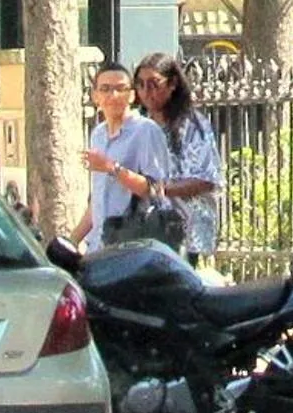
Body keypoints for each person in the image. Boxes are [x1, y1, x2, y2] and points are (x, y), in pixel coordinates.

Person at [67, 61, 173, 253]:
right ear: (95, 95)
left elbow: (156, 190)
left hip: (132, 244)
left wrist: (111, 168)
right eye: (105, 89)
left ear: (132, 95)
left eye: (120, 89)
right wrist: (73, 240)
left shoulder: (145, 131)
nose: (113, 95)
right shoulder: (98, 134)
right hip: (99, 244)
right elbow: (98, 199)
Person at [132, 53, 226, 264]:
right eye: (141, 85)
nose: (147, 92)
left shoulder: (192, 125)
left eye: (154, 84)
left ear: (172, 83)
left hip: (184, 227)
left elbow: (206, 178)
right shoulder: (136, 124)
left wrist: (159, 190)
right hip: (144, 226)